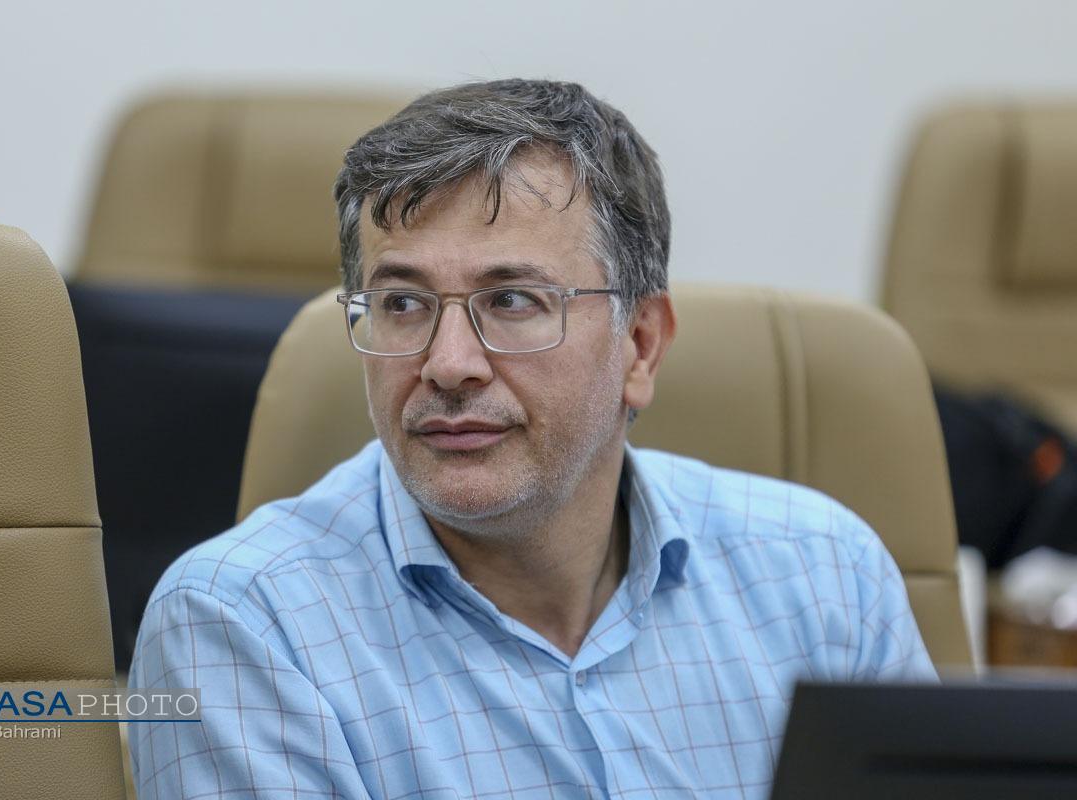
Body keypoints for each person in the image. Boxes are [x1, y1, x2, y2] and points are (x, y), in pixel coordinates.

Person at [128, 79, 935, 799]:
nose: (448, 365)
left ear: (640, 345)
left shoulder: (827, 578)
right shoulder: (244, 623)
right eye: (403, 304)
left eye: (512, 301)